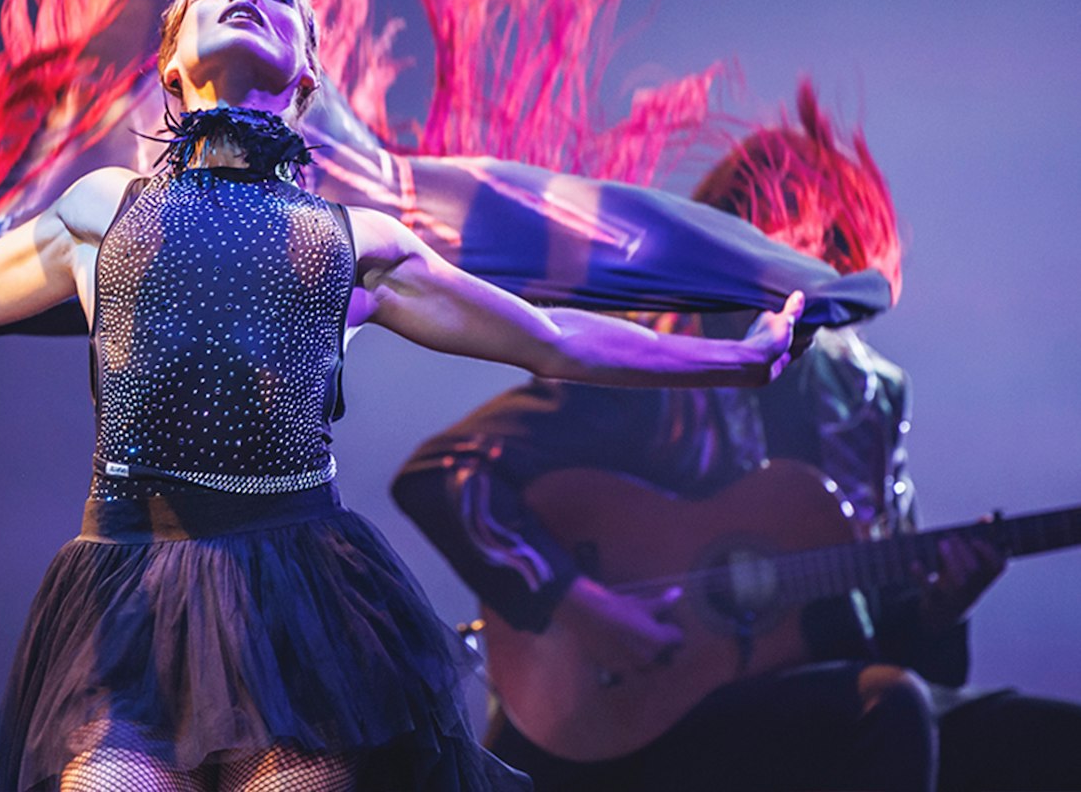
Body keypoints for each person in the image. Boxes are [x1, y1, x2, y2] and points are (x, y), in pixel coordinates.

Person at [0, 0, 805, 792]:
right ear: (170, 61)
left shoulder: (356, 244)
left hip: (296, 602)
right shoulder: (101, 213)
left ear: (309, 72)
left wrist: (729, 362)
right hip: (124, 600)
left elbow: (553, 340)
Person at [391, 92, 1081, 792]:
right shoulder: (654, 358)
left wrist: (940, 609)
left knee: (1049, 740)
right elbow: (447, 474)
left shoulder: (869, 399)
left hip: (810, 706)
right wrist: (581, 605)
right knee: (891, 707)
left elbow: (907, 654)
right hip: (630, 720)